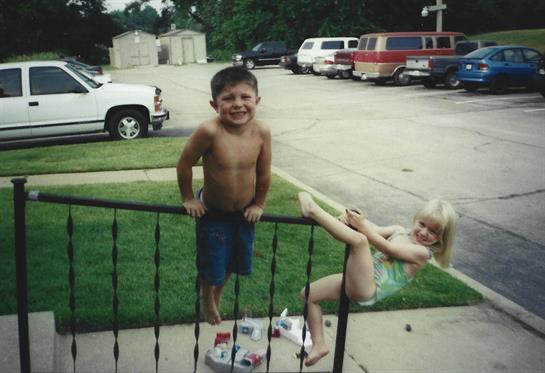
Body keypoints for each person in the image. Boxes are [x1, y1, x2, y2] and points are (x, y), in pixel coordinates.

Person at [297, 192, 457, 366]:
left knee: (359, 242)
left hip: (368, 289)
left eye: (433, 231)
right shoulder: (398, 230)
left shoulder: (422, 253)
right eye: (422, 224)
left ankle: (312, 210)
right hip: (357, 278)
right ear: (415, 219)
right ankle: (319, 345)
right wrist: (352, 220)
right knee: (308, 295)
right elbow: (370, 231)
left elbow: (388, 248)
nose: (424, 232)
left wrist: (362, 228)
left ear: (441, 238)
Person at [176, 66, 272, 325]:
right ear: (214, 104)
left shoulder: (262, 132)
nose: (238, 104)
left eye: (245, 97)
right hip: (213, 211)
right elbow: (184, 163)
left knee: (233, 260)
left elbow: (263, 174)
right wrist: (188, 198)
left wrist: (259, 204)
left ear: (257, 101)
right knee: (213, 260)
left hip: (243, 213)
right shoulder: (209, 131)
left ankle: (217, 294)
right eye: (228, 98)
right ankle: (208, 297)